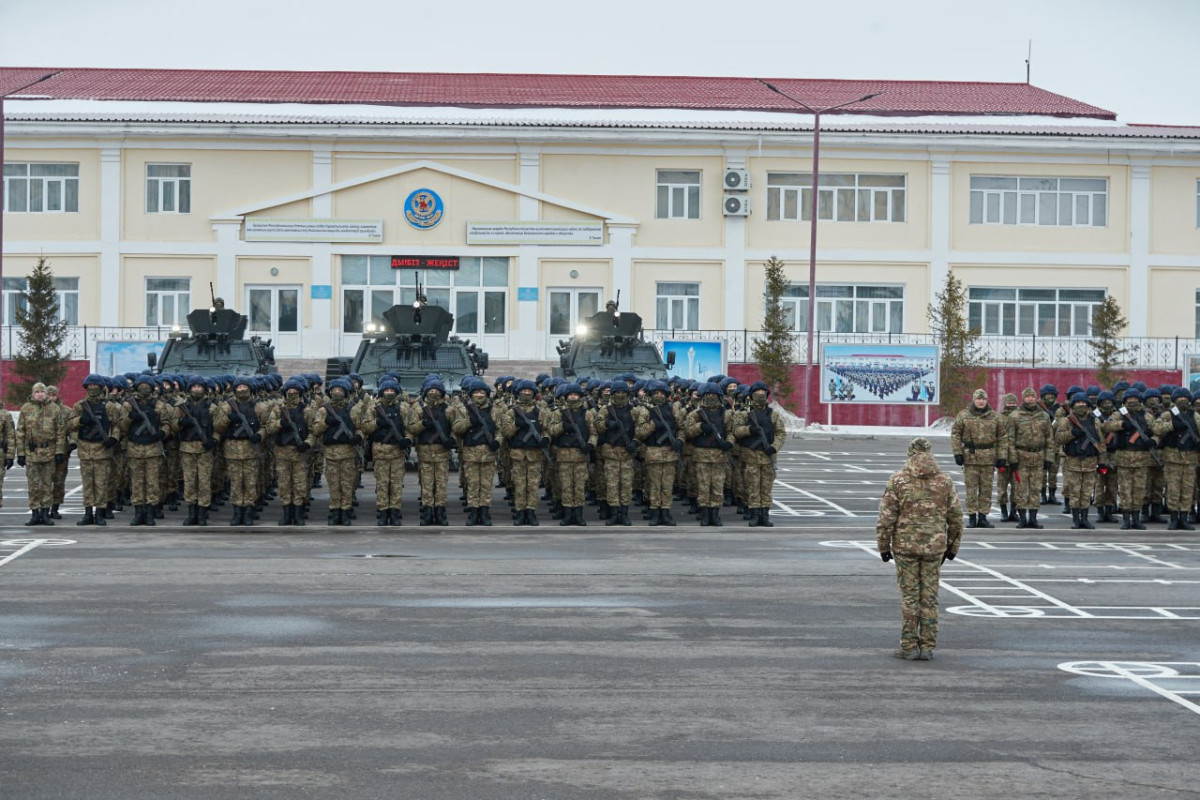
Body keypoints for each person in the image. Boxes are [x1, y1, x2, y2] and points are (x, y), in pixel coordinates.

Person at [876, 437, 963, 661]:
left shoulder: (898, 481)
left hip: (905, 547)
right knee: (930, 598)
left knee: (909, 598)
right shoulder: (944, 481)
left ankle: (909, 646)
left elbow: (886, 518)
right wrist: (952, 547)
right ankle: (927, 646)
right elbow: (955, 517)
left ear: (910, 454)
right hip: (934, 547)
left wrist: (883, 546)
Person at [950, 388, 1009, 528]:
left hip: (988, 457)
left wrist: (1002, 456)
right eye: (978, 399)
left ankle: (983, 517)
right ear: (974, 400)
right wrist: (957, 453)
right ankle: (972, 516)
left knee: (986, 489)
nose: (981, 401)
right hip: (971, 457)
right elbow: (955, 434)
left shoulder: (995, 417)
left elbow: (1002, 437)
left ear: (986, 400)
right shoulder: (964, 415)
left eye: (983, 399)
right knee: (971, 489)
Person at [17, 382, 68, 525]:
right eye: (37, 391)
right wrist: (20, 453)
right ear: (33, 394)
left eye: (42, 391)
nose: (40, 394)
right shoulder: (26, 409)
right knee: (33, 485)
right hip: (32, 452)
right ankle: (35, 513)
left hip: (49, 452)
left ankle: (45, 513)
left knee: (47, 484)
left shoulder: (54, 409)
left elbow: (60, 432)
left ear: (46, 393)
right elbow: (20, 432)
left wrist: (59, 452)